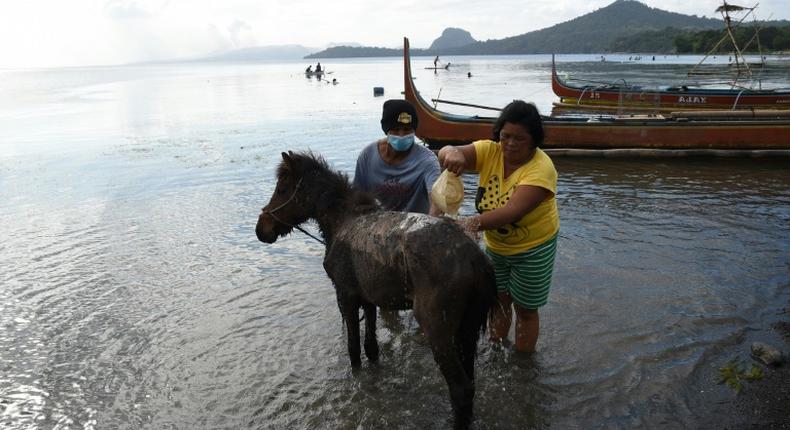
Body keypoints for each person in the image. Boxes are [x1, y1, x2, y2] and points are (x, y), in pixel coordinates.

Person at [437, 100, 559, 353]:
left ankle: (524, 362)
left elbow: (512, 211)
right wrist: (453, 154)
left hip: (533, 248)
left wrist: (469, 223)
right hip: (497, 247)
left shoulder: (542, 169)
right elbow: (446, 151)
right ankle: (496, 349)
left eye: (520, 139)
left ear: (534, 140)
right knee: (499, 301)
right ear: (498, 135)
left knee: (525, 309)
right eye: (506, 136)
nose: (511, 144)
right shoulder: (489, 151)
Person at [353, 99, 441, 215]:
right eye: (396, 130)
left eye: (407, 130)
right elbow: (356, 197)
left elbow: (437, 201)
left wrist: (432, 222)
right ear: (386, 131)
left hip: (416, 227)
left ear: (414, 131)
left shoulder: (427, 161)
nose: (401, 135)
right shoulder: (367, 156)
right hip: (379, 224)